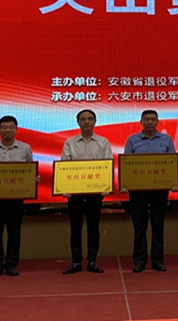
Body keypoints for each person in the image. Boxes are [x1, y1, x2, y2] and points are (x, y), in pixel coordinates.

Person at [123, 110, 177, 273]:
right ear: (141, 122)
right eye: (146, 119)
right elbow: (126, 164)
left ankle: (157, 260)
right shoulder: (132, 140)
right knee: (139, 227)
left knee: (158, 226)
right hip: (137, 190)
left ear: (158, 122)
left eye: (153, 119)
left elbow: (172, 162)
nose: (149, 122)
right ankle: (139, 261)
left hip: (159, 190)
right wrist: (125, 183)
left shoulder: (166, 139)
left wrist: (174, 182)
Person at [61, 109, 113, 275]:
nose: (86, 122)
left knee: (93, 227)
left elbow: (108, 165)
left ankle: (92, 261)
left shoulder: (103, 142)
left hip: (95, 193)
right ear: (78, 122)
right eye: (83, 119)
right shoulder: (69, 142)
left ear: (95, 121)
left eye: (90, 119)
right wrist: (65, 188)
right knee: (75, 228)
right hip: (75, 193)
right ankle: (76, 262)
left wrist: (106, 187)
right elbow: (64, 166)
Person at [0, 115, 34, 277]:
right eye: (4, 127)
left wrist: (33, 179)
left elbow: (30, 170)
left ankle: (11, 264)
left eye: (11, 127)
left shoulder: (25, 148)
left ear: (16, 129)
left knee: (14, 232)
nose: (7, 130)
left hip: (15, 199)